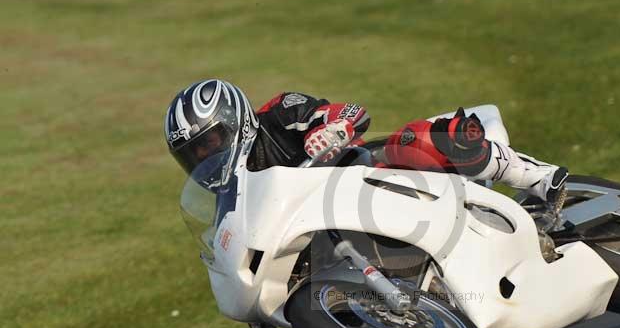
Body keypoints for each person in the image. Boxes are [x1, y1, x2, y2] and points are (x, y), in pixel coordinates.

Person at [164, 79, 568, 203]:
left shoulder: (278, 113)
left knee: (411, 141)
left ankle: (534, 177)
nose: (206, 156)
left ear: (234, 121)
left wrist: (332, 129)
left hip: (370, 176)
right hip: (325, 223)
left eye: (210, 141)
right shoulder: (229, 196)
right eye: (195, 153)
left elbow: (352, 112)